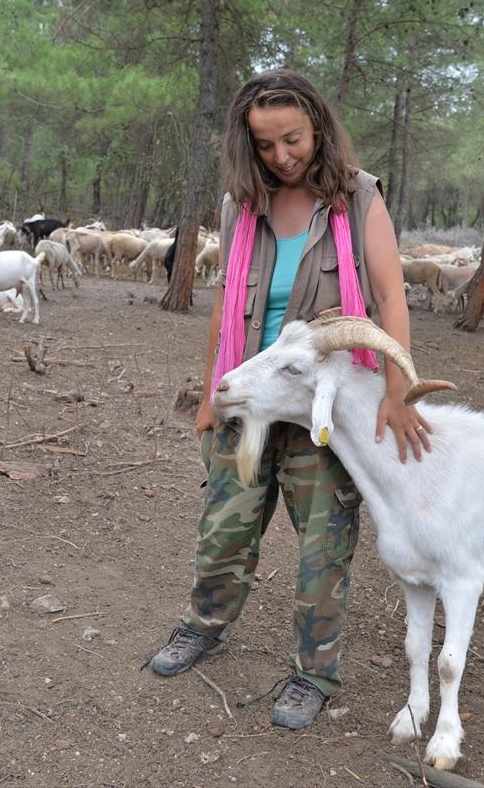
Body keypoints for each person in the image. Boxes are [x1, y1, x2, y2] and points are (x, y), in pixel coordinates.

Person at [148, 69, 431, 730]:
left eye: (293, 139)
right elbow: (226, 302)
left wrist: (399, 391)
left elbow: (391, 298)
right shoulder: (240, 205)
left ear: (318, 127)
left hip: (322, 408)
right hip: (248, 398)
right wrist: (210, 391)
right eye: (267, 144)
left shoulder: (358, 200)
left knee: (322, 547)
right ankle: (203, 623)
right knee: (225, 526)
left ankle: (313, 672)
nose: (282, 155)